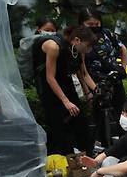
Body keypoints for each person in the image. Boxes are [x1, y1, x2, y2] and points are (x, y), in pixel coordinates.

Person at [33, 26, 96, 155]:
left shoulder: (78, 51)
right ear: (77, 40)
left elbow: (82, 73)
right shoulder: (54, 47)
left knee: (81, 123)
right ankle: (65, 159)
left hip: (66, 82)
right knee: (60, 127)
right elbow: (50, 77)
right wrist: (66, 101)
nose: (88, 50)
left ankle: (87, 156)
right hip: (49, 87)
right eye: (87, 46)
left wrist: (88, 93)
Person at [79, 8, 127, 147]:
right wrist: (92, 90)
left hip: (114, 79)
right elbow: (82, 71)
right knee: (98, 118)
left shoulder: (107, 34)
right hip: (95, 81)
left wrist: (122, 68)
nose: (94, 27)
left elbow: (122, 49)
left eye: (97, 24)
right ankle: (103, 146)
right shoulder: (81, 40)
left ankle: (125, 143)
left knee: (122, 113)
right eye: (90, 24)